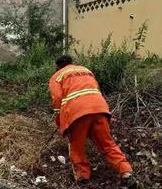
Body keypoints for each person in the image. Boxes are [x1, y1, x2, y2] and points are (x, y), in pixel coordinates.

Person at [48, 55, 136, 188]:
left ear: (57, 66)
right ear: (72, 63)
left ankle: (83, 178)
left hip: (77, 113)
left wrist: (59, 120)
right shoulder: (86, 70)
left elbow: (57, 99)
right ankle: (126, 172)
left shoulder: (57, 76)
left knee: (76, 147)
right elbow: (95, 89)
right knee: (107, 143)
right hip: (100, 108)